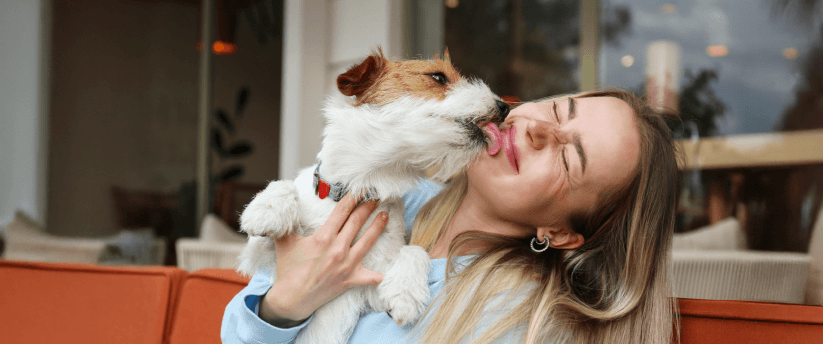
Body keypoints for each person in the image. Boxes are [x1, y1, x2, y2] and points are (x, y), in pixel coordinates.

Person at [222, 89, 681, 344]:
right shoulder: (395, 193)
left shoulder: (509, 321)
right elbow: (233, 331)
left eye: (568, 158)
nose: (539, 128)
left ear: (559, 233)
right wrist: (283, 306)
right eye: (560, 108)